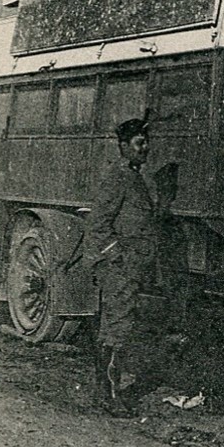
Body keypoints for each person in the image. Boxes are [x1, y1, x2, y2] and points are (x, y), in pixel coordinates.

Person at [84, 117, 158, 417]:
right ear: (124, 146)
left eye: (146, 142)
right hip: (120, 269)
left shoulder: (136, 178)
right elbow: (98, 225)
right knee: (116, 330)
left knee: (120, 329)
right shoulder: (117, 177)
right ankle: (108, 395)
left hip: (132, 268)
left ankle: (106, 392)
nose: (146, 148)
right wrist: (119, 259)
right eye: (140, 143)